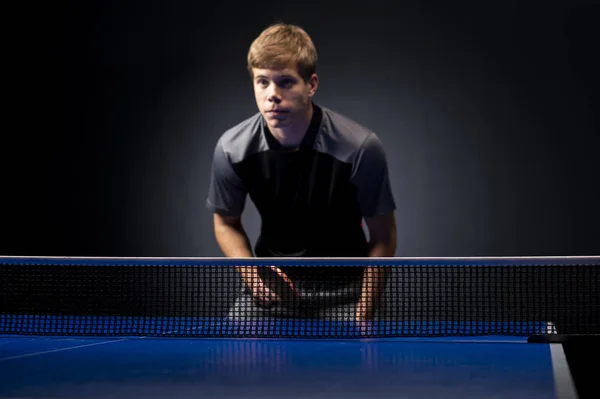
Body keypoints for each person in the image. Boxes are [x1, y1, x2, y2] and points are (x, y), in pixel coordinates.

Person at [206, 22, 396, 322]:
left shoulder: (360, 147)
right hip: (274, 295)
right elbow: (225, 222)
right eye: (262, 82)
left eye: (285, 82)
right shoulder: (232, 148)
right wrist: (253, 277)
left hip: (347, 293)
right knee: (238, 352)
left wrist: (364, 312)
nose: (272, 95)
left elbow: (383, 235)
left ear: (311, 84)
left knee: (358, 364)